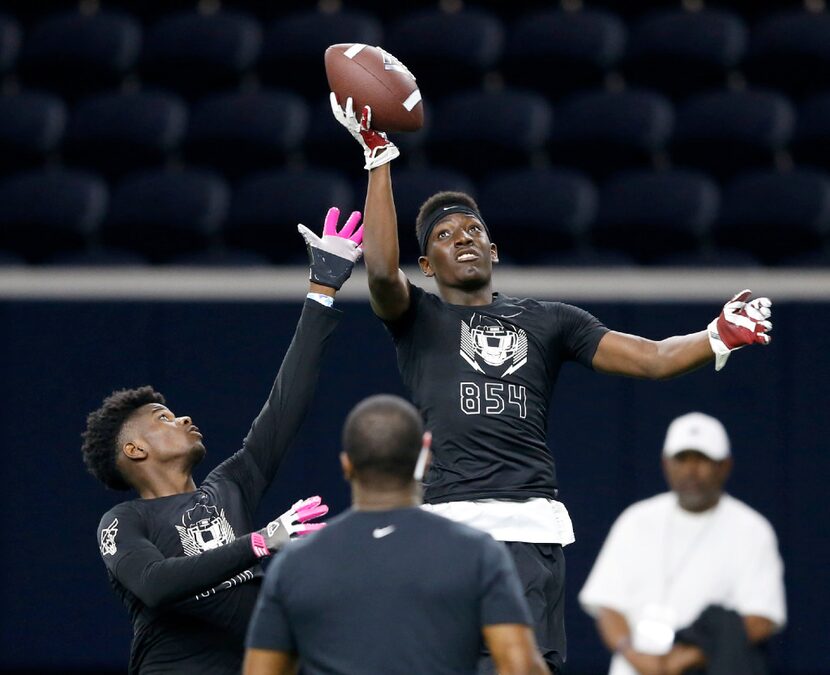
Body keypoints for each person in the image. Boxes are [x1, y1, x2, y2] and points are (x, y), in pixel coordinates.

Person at [328, 95, 775, 674]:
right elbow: (383, 271)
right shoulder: (419, 318)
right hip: (444, 529)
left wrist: (714, 335)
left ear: (494, 250)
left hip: (524, 527)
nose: (462, 237)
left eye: (473, 229)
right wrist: (379, 156)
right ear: (429, 264)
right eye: (444, 235)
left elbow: (652, 358)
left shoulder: (551, 320)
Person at [83, 208, 364, 675]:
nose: (184, 417)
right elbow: (154, 583)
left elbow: (284, 407)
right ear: (134, 450)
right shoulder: (124, 520)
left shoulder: (229, 485)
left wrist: (322, 292)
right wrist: (258, 543)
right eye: (164, 418)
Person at [244, 394, 550, 675]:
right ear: (425, 457)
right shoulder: (478, 553)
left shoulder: (295, 564)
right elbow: (520, 667)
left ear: (346, 464)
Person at [579, 412, 786, 675]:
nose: (690, 470)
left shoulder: (753, 530)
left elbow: (761, 618)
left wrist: (688, 657)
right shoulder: (636, 520)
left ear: (725, 466)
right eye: (682, 459)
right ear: (666, 464)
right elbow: (607, 604)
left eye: (702, 460)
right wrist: (633, 653)